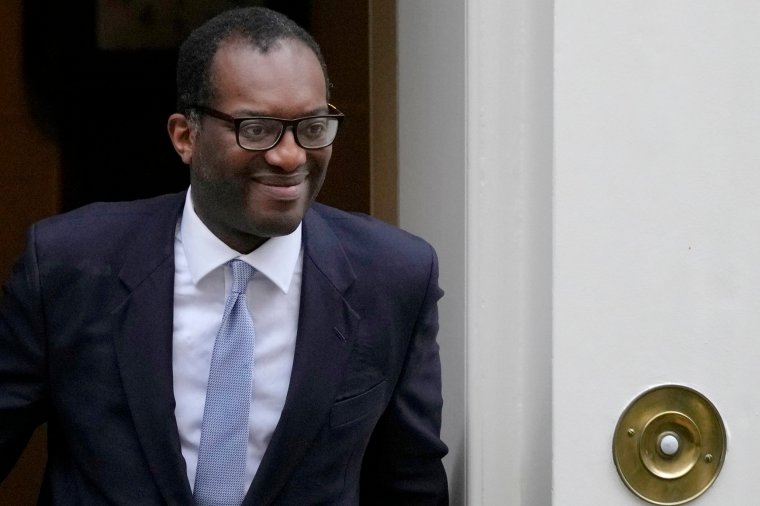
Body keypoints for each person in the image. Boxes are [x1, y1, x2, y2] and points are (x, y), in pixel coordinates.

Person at [0, 6, 448, 505]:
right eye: (257, 129)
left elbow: (411, 486)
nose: (290, 156)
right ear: (185, 137)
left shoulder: (393, 279)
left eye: (313, 126)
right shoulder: (69, 266)